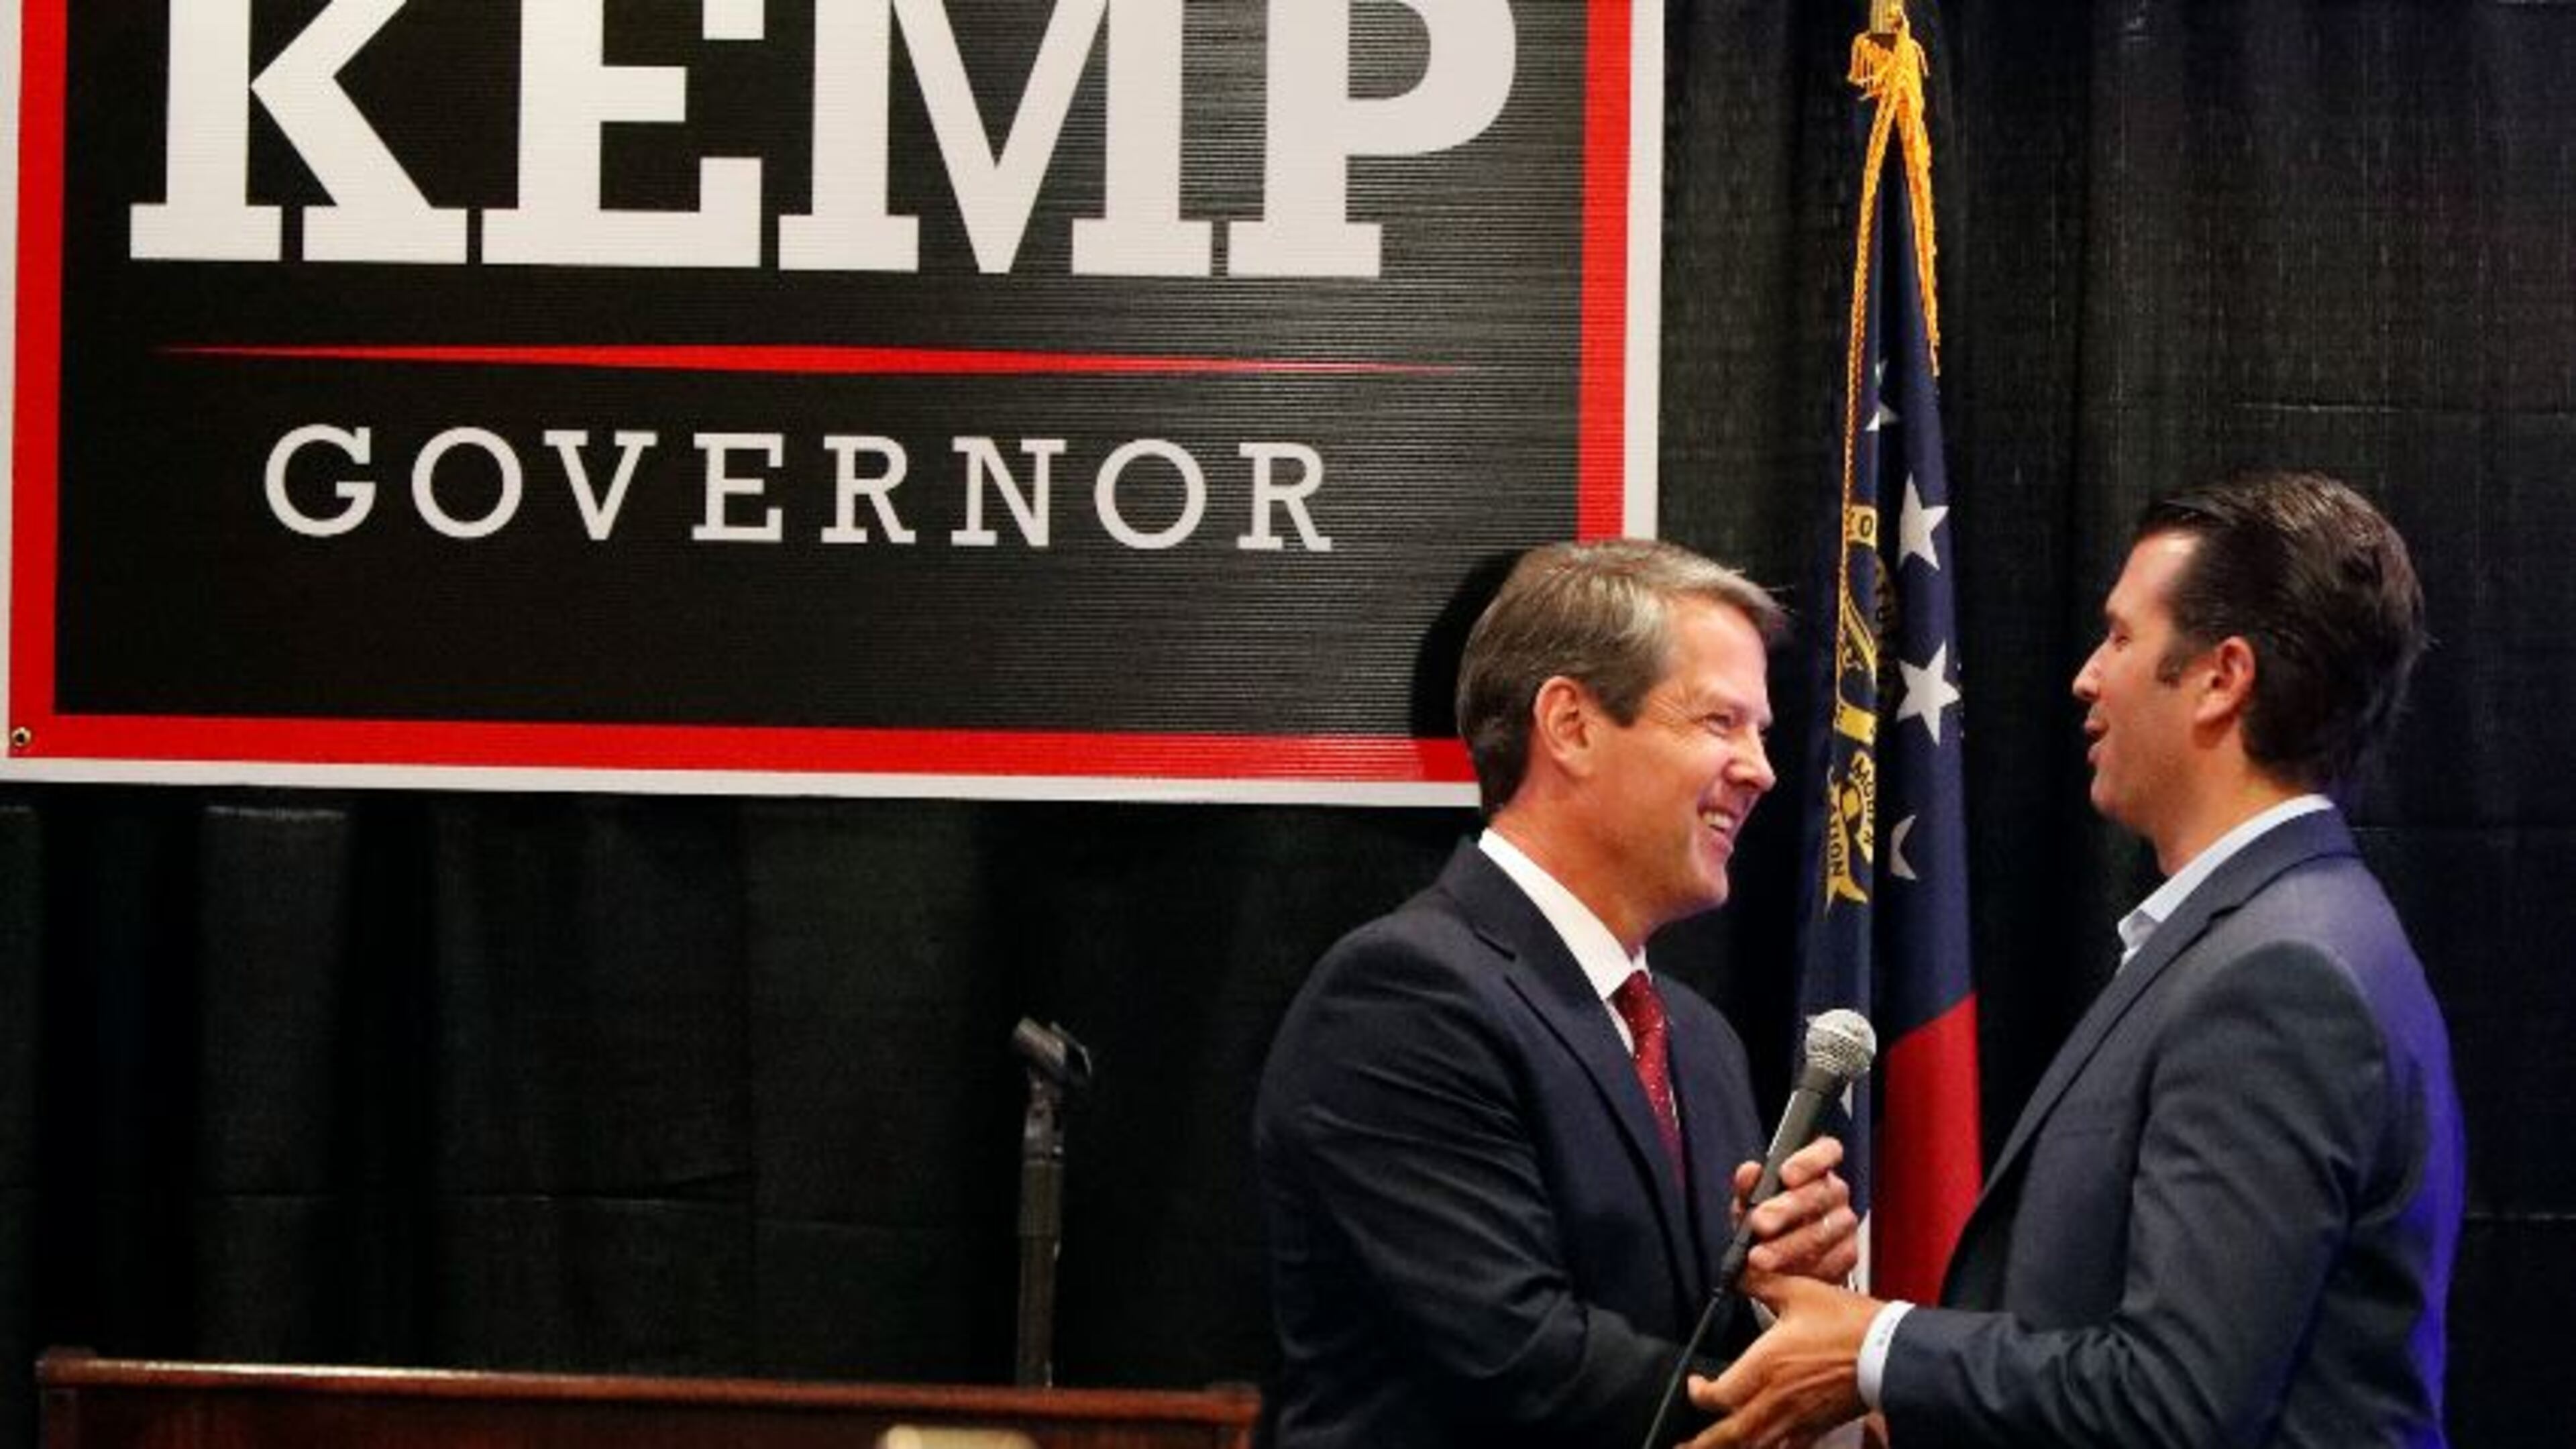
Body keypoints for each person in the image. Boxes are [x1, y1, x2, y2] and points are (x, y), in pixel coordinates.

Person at [1690, 470, 2465, 1448]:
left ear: (2224, 678)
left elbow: (2174, 1403)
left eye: (2123, 637)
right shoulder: (2266, 934)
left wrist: (1877, 1350)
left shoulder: (2282, 974)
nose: (2087, 676)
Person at [1256, 538, 1861, 1449]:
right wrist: (1826, 1399)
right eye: (1719, 723)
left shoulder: (1696, 1040)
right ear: (1570, 725)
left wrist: (1789, 1297)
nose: (1762, 770)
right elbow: (1520, 1360)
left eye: (1761, 732)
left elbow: (1698, 1337)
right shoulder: (1403, 998)